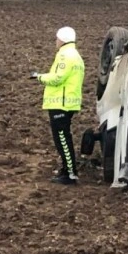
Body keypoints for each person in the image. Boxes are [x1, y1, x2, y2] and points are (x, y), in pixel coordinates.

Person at [31, 27, 85, 185]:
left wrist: (39, 77)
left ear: (62, 39)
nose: (56, 41)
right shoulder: (76, 56)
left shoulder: (64, 55)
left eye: (57, 38)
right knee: (64, 137)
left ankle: (70, 173)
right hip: (70, 102)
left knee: (62, 138)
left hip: (60, 103)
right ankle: (67, 169)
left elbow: (57, 78)